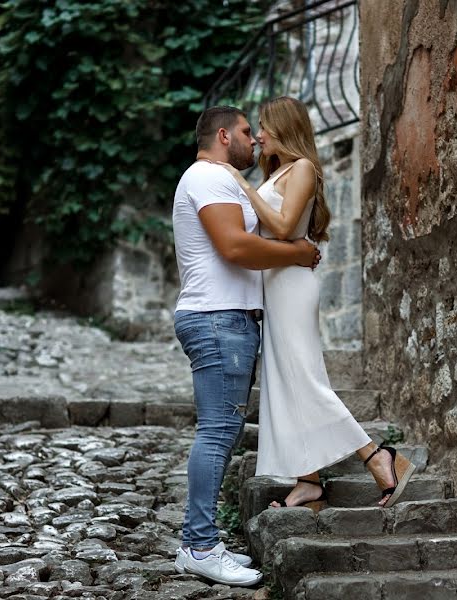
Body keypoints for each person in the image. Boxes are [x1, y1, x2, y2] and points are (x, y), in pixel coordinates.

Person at [215, 96, 415, 512]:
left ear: (284, 128)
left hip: (291, 285)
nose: (260, 137)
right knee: (285, 382)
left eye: (264, 128)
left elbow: (287, 228)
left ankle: (378, 457)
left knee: (306, 380)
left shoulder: (302, 168)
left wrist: (245, 187)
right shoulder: (280, 172)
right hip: (274, 286)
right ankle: (308, 481)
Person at [170, 105, 321, 587]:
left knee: (221, 432)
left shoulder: (222, 180)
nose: (253, 139)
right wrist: (297, 253)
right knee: (216, 433)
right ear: (222, 135)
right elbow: (234, 247)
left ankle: (202, 540)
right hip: (216, 319)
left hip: (227, 319)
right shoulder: (209, 177)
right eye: (243, 131)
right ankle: (198, 545)